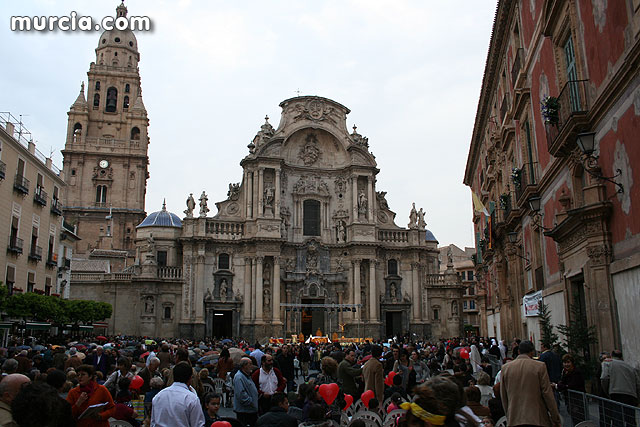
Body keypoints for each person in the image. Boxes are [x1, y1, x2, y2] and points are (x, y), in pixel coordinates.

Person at [500, 340, 561, 427]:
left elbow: (504, 395)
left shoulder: (506, 368)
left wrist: (509, 414)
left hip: (514, 417)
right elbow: (547, 394)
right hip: (536, 418)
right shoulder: (539, 367)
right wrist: (555, 418)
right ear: (532, 352)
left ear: (518, 351)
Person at [151, 361, 205, 427]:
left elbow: (153, 422)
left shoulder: (159, 396)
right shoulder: (191, 398)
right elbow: (197, 424)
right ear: (190, 378)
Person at [601, 349, 640, 427]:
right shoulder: (629, 367)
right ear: (621, 357)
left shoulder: (608, 363)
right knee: (630, 419)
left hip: (616, 394)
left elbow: (604, 378)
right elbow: (638, 383)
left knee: (618, 419)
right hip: (630, 395)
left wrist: (607, 391)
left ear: (612, 356)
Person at [555, 353, 585, 425]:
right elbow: (563, 383)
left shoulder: (576, 372)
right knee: (574, 418)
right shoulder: (565, 372)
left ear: (572, 363)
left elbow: (571, 385)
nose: (566, 364)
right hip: (570, 399)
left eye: (568, 362)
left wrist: (558, 386)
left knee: (578, 419)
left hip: (577, 400)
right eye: (565, 362)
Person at [234, 357, 259, 427]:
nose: (251, 366)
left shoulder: (247, 376)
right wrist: (250, 401)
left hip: (250, 410)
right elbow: (241, 394)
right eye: (250, 364)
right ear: (244, 366)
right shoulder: (239, 377)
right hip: (245, 411)